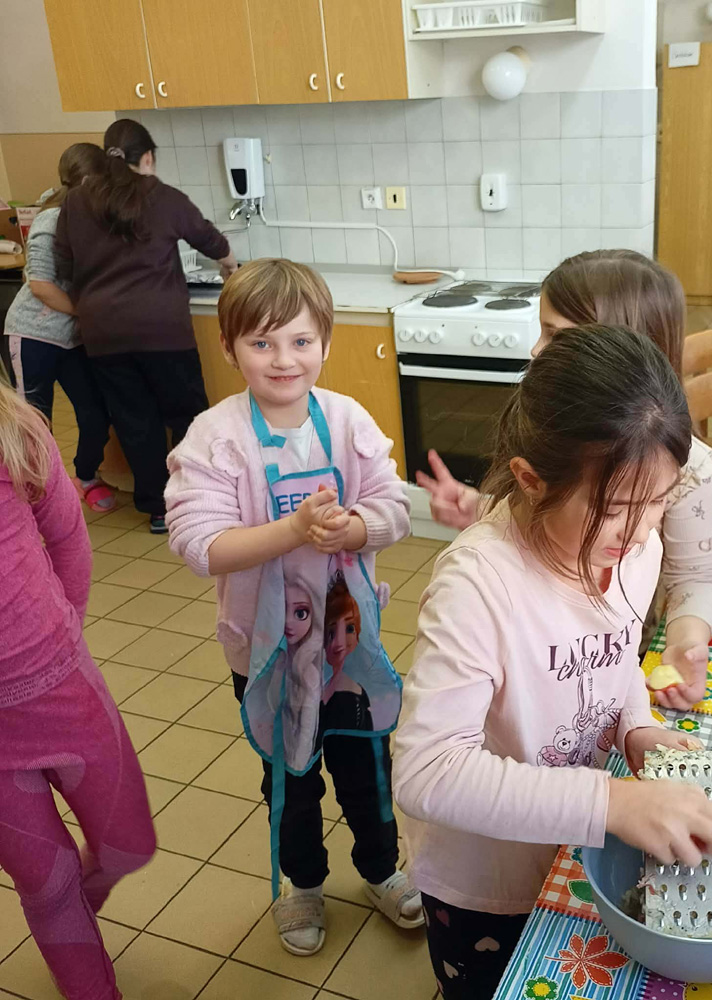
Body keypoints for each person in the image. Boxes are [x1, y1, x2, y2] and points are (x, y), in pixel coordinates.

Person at [394, 326, 712, 1000]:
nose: (643, 530)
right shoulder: (477, 585)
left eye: (659, 501)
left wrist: (636, 726)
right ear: (530, 479)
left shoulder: (632, 550)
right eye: (618, 509)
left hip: (572, 845)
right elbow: (426, 771)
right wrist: (610, 800)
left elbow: (614, 657)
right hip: (484, 879)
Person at [165, 258, 421, 959]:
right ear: (229, 348)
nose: (284, 359)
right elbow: (199, 544)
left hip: (348, 648)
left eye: (301, 341)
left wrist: (357, 529)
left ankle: (382, 868)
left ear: (325, 344)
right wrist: (294, 531)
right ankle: (302, 884)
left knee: (367, 767)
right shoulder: (215, 438)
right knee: (290, 776)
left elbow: (395, 507)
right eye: (262, 342)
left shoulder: (347, 419)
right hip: (266, 651)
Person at [416, 250, 712, 710]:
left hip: (625, 662)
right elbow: (548, 514)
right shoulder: (553, 432)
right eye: (542, 330)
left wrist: (685, 639)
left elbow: (696, 576)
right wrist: (478, 507)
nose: (536, 350)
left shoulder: (686, 468)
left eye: (557, 336)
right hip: (549, 672)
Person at [0, 379, 155, 1000]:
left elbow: (67, 537)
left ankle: (75, 908)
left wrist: (64, 634)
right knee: (46, 883)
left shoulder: (15, 430)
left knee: (128, 845)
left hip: (64, 687)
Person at [55, 118, 237, 533]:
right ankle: (200, 500)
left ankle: (158, 509)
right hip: (163, 331)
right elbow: (210, 240)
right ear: (148, 158)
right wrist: (231, 267)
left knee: (135, 421)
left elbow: (64, 263)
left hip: (103, 334)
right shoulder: (161, 196)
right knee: (188, 415)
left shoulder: (76, 201)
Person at [4, 142, 116, 512]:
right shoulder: (51, 220)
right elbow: (40, 285)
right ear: (88, 181)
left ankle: (86, 476)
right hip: (32, 336)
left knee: (95, 411)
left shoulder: (95, 218)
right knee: (34, 423)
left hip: (71, 339)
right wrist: (86, 312)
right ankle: (35, 496)